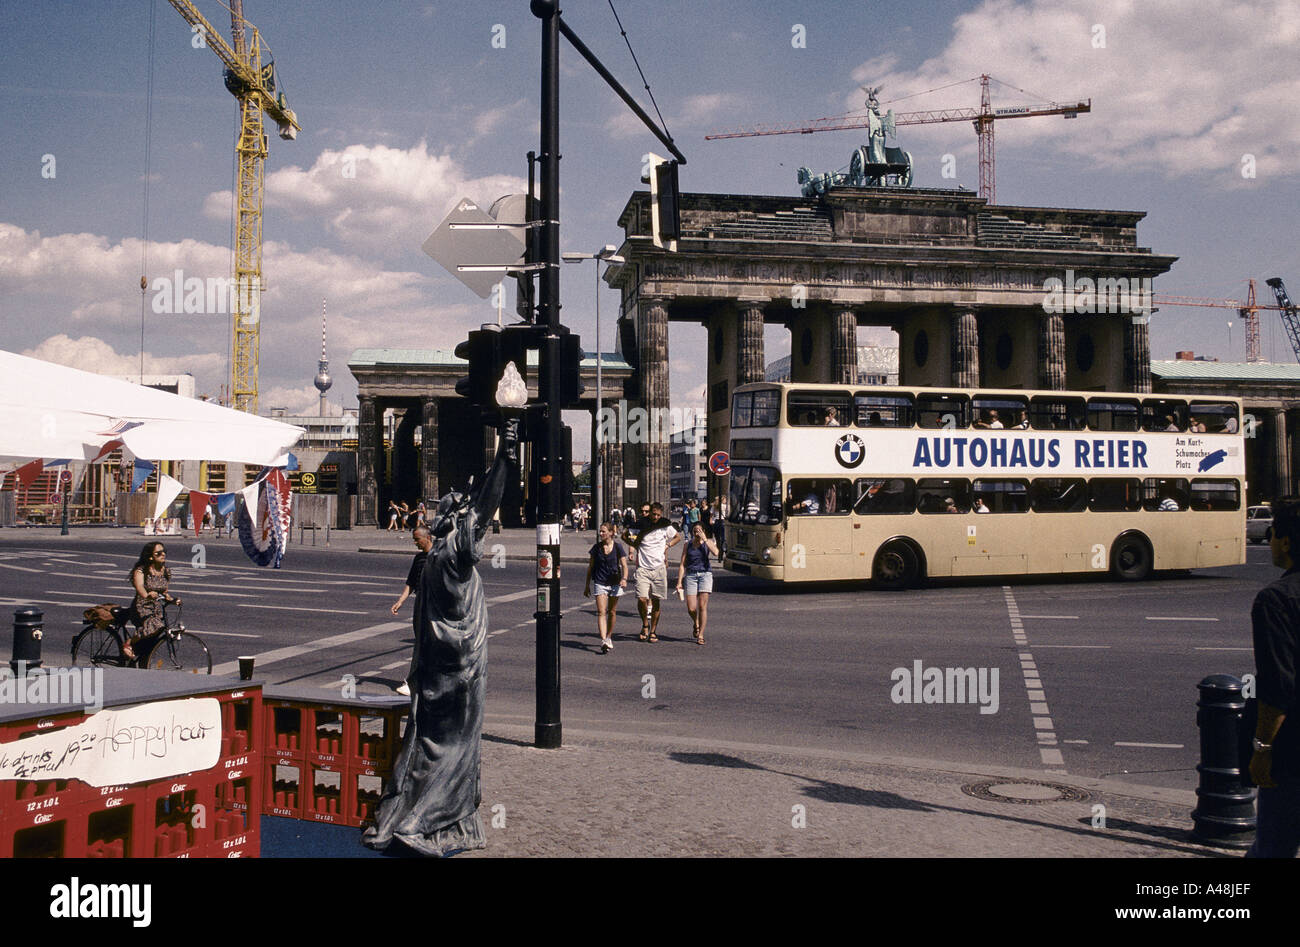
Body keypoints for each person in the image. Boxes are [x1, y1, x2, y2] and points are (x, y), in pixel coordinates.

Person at [363, 414, 517, 857]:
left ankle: (427, 815)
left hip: (433, 666)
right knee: (457, 746)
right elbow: (485, 506)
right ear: (458, 525)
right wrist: (505, 456)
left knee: (429, 740)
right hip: (462, 669)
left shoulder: (431, 562)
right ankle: (427, 821)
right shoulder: (453, 557)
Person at [1247, 499, 1300, 858]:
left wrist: (1262, 749)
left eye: (1271, 534)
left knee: (1273, 848)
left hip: (1293, 754)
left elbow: (1279, 687)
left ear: (1285, 541)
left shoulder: (1275, 601)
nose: (1268, 543)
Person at [388, 525, 434, 696]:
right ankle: (420, 680)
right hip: (421, 603)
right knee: (421, 642)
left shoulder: (439, 557)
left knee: (425, 644)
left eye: (417, 539)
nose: (415, 543)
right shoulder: (419, 558)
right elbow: (411, 583)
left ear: (427, 537)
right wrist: (400, 601)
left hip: (434, 605)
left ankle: (414, 682)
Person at [628, 502, 680, 643]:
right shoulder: (641, 524)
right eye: (653, 514)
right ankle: (645, 624)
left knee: (656, 601)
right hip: (643, 568)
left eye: (658, 515)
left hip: (659, 568)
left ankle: (653, 631)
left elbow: (677, 537)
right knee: (642, 598)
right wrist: (633, 547)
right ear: (649, 513)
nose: (656, 517)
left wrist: (667, 546)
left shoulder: (664, 526)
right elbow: (627, 536)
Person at [124, 541, 180, 661]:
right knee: (155, 626)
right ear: (151, 556)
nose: (163, 554)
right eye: (158, 553)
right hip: (141, 607)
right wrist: (147, 595)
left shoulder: (166, 571)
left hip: (156, 607)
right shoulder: (142, 570)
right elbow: (139, 587)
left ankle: (142, 656)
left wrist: (171, 599)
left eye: (164, 551)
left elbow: (164, 591)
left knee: (155, 633)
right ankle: (129, 643)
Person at [584, 521, 628, 653]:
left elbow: (625, 566)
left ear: (611, 533)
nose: (601, 533)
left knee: (612, 612)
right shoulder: (596, 548)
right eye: (600, 531)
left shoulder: (618, 547)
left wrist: (624, 579)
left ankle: (609, 636)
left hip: (615, 582)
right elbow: (590, 567)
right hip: (600, 581)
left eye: (603, 531)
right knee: (601, 612)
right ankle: (603, 640)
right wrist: (587, 586)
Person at [676, 523, 718, 645]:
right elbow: (682, 564)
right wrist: (679, 582)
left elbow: (716, 552)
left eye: (699, 530)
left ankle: (701, 634)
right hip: (691, 575)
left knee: (702, 606)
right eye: (695, 531)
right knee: (691, 608)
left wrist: (705, 539)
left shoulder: (708, 542)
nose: (697, 533)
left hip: (705, 575)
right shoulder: (688, 544)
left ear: (703, 531)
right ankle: (696, 622)